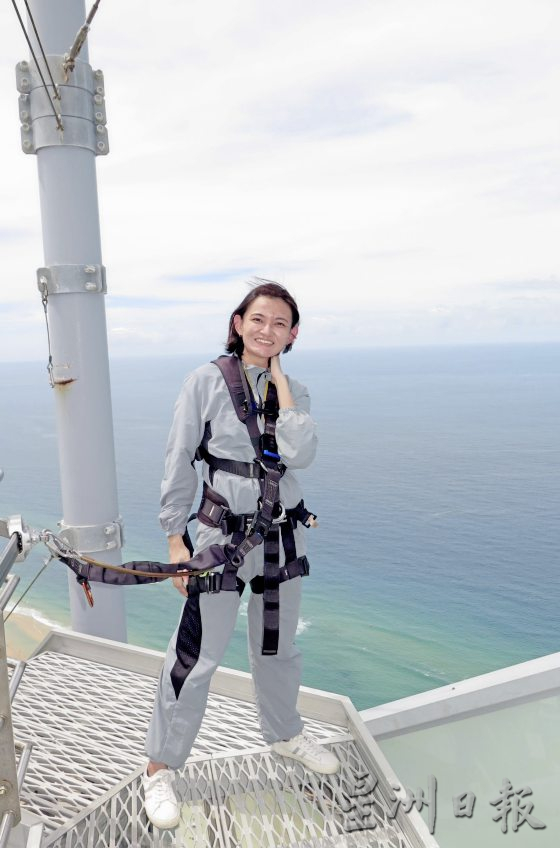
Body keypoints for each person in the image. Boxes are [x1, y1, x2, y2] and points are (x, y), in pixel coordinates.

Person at [143, 280, 339, 829]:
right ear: (238, 322)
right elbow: (179, 457)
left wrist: (281, 388)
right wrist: (174, 536)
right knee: (196, 656)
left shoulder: (294, 389)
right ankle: (159, 769)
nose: (266, 330)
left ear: (293, 333)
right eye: (258, 319)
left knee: (277, 649)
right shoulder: (204, 381)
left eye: (280, 323)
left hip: (281, 537)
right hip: (221, 538)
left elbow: (301, 453)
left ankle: (284, 736)